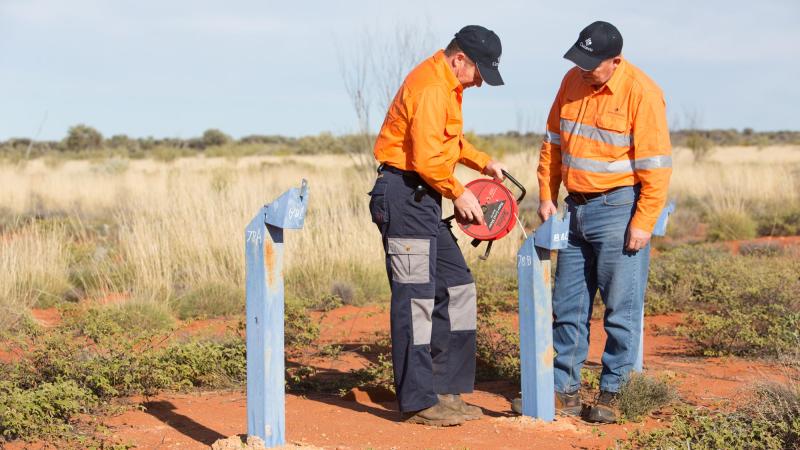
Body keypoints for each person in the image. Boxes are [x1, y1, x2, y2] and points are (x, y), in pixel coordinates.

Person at [512, 21, 672, 423]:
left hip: (620, 209)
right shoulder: (571, 81)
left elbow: (656, 167)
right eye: (579, 60)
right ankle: (562, 389)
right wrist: (547, 197)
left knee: (620, 308)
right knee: (568, 306)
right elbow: (551, 145)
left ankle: (614, 392)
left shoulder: (642, 92)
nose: (584, 69)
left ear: (615, 60)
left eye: (592, 63)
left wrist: (643, 221)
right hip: (574, 210)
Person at [368, 25, 508, 427]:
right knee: (415, 299)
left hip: (425, 198)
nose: (480, 82)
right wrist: (459, 192)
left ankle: (446, 390)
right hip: (404, 194)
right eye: (479, 72)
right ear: (458, 58)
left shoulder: (450, 86)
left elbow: (449, 143)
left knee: (458, 286)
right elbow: (430, 160)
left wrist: (484, 162)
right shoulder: (430, 86)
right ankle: (417, 402)